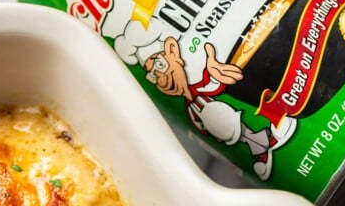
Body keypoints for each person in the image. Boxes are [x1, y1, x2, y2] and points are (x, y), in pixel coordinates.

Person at [114, 23, 297, 180]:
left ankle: (271, 137)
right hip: (291, 187)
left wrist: (213, 67)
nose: (161, 77)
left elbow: (212, 83)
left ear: (173, 52)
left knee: (226, 114)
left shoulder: (199, 84)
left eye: (160, 66)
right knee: (221, 123)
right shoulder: (188, 107)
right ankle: (263, 149)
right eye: (154, 76)